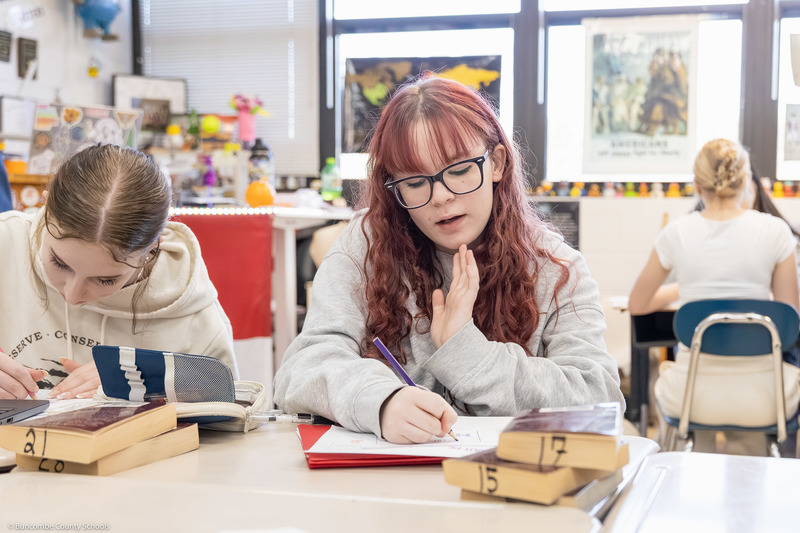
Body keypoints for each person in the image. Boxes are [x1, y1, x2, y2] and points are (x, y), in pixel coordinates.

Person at [274, 77, 624, 445]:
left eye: (459, 171)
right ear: (393, 187)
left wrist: (466, 352)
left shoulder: (555, 267)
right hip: (387, 489)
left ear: (497, 164)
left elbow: (599, 396)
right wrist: (382, 401)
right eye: (414, 181)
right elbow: (303, 368)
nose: (440, 196)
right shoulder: (365, 244)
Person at [0, 144, 238, 400]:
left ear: (151, 249)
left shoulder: (197, 319)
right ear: (45, 207)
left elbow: (229, 414)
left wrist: (153, 384)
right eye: (60, 263)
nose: (72, 296)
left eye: (105, 279)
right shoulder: (6, 243)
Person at [628, 138, 800, 454]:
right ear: (746, 181)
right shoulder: (776, 232)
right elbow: (789, 317)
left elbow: (638, 304)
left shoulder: (676, 233)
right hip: (764, 397)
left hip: (694, 396)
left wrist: (693, 288)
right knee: (749, 438)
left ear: (696, 184)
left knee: (690, 412)